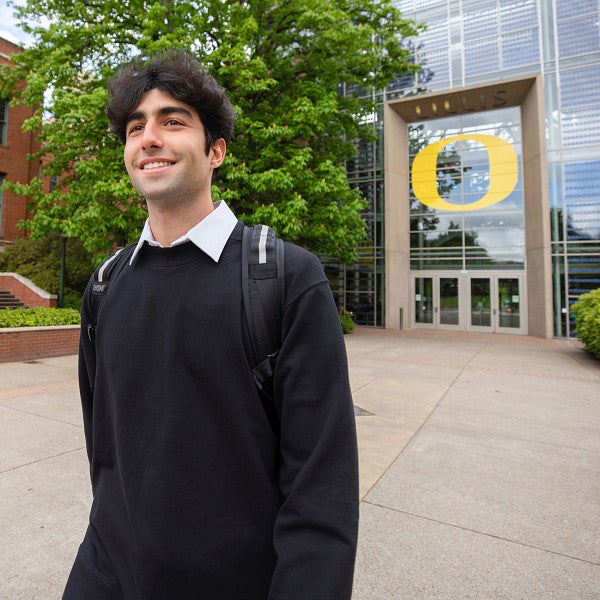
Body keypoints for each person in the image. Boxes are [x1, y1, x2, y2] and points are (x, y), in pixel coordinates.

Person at [63, 50, 359, 600]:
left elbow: (321, 487)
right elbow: (106, 455)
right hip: (108, 577)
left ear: (215, 150)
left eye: (173, 121)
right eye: (135, 127)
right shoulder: (106, 287)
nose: (149, 137)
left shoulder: (285, 277)